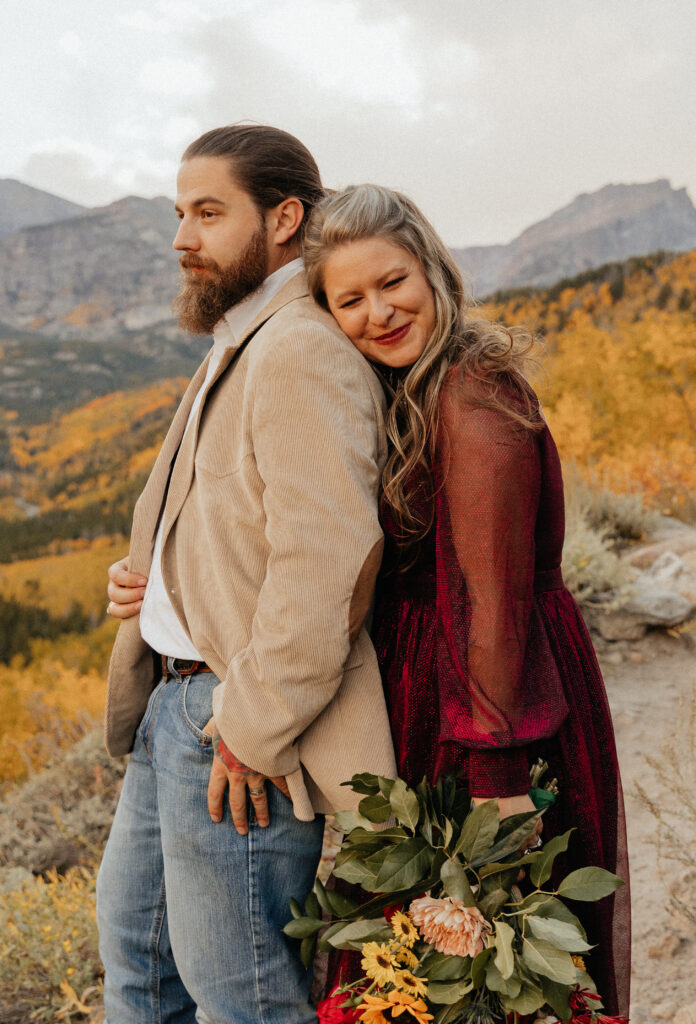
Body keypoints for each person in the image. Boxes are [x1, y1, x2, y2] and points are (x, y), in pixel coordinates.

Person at [300, 184, 630, 1017]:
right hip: (433, 697)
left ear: (434, 271)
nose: (379, 311)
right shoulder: (410, 388)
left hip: (491, 708)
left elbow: (488, 600)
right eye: (351, 299)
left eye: (393, 282)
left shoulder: (472, 394)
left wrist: (497, 772)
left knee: (491, 969)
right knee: (430, 975)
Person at [98, 129, 396, 1024]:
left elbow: (330, 559)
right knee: (141, 974)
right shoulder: (241, 338)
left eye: (208, 213)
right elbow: (240, 514)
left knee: (243, 996)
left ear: (284, 219)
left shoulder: (299, 348)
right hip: (174, 713)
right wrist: (156, 579)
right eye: (179, 214)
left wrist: (251, 730)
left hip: (234, 729)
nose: (183, 237)